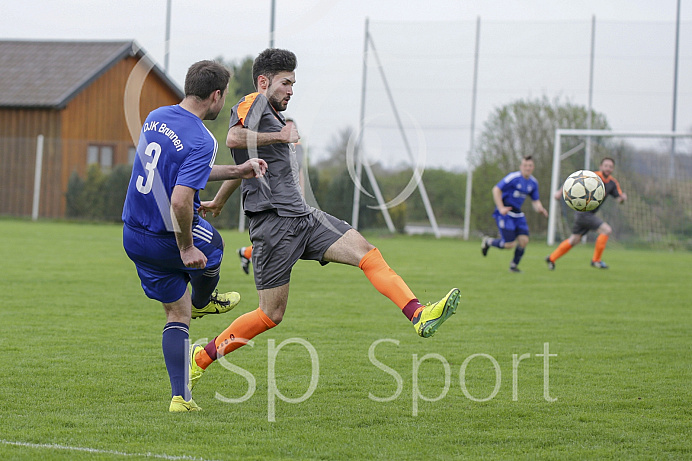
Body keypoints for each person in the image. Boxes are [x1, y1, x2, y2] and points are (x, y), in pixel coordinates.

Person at [191, 48, 460, 395]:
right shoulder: (252, 104)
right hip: (273, 225)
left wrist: (218, 201)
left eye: (293, 83)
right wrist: (280, 136)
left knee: (367, 252)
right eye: (285, 82)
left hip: (304, 217)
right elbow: (233, 140)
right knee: (270, 315)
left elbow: (245, 163)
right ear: (263, 82)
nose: (291, 90)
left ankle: (419, 315)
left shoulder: (272, 114)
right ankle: (201, 358)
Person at [122, 60, 268, 412]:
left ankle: (181, 398)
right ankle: (205, 299)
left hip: (132, 234)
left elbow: (181, 169)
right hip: (164, 234)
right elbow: (180, 198)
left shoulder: (156, 116)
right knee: (213, 247)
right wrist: (186, 247)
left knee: (177, 313)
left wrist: (237, 170)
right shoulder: (202, 137)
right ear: (216, 95)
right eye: (224, 97)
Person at [236, 118, 306, 275]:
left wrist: (302, 194)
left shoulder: (298, 148)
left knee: (284, 237)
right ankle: (251, 256)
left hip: (291, 199)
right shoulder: (273, 143)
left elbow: (299, 170)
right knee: (280, 237)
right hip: (274, 200)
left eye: (292, 127)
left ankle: (247, 253)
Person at [546, 157, 627, 270]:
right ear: (601, 166)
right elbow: (572, 180)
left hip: (586, 215)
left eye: (610, 166)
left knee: (574, 240)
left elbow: (619, 198)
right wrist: (560, 193)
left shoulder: (613, 183)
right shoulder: (593, 176)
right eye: (606, 165)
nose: (608, 168)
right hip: (583, 213)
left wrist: (623, 198)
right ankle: (596, 260)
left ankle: (551, 258)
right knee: (606, 230)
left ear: (613, 169)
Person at [481, 155, 549, 272]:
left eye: (530, 166)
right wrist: (501, 207)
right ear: (521, 166)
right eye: (525, 165)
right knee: (509, 245)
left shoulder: (533, 182)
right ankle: (488, 242)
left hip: (518, 214)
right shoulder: (513, 177)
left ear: (533, 167)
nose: (527, 168)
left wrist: (540, 208)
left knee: (524, 241)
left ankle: (513, 266)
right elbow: (496, 189)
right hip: (505, 213)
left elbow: (535, 200)